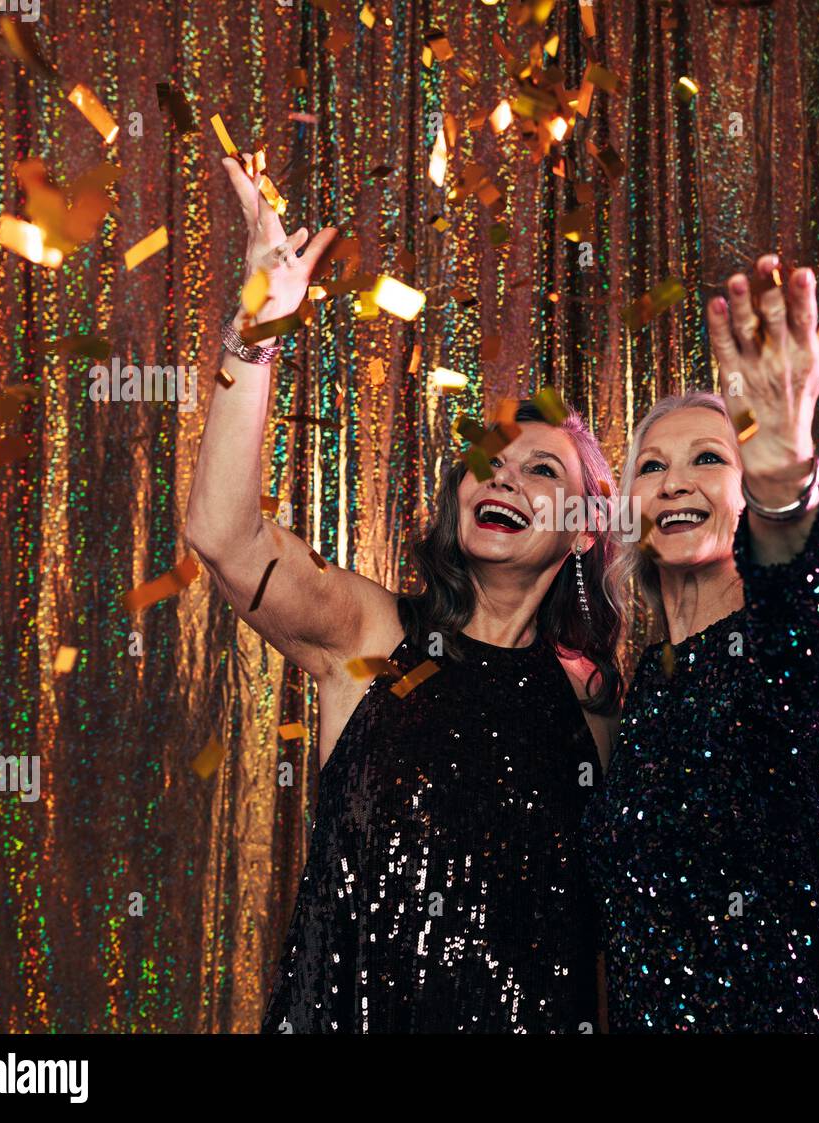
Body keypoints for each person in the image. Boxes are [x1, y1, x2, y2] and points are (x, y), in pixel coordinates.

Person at [187, 153, 622, 1032]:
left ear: (584, 529)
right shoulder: (372, 635)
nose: (503, 475)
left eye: (542, 469)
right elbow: (224, 536)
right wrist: (256, 332)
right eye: (489, 459)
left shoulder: (595, 705)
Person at [582, 255, 819, 1032]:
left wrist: (784, 475)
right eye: (651, 466)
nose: (674, 482)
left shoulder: (775, 650)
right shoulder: (647, 686)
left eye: (709, 458)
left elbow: (799, 603)